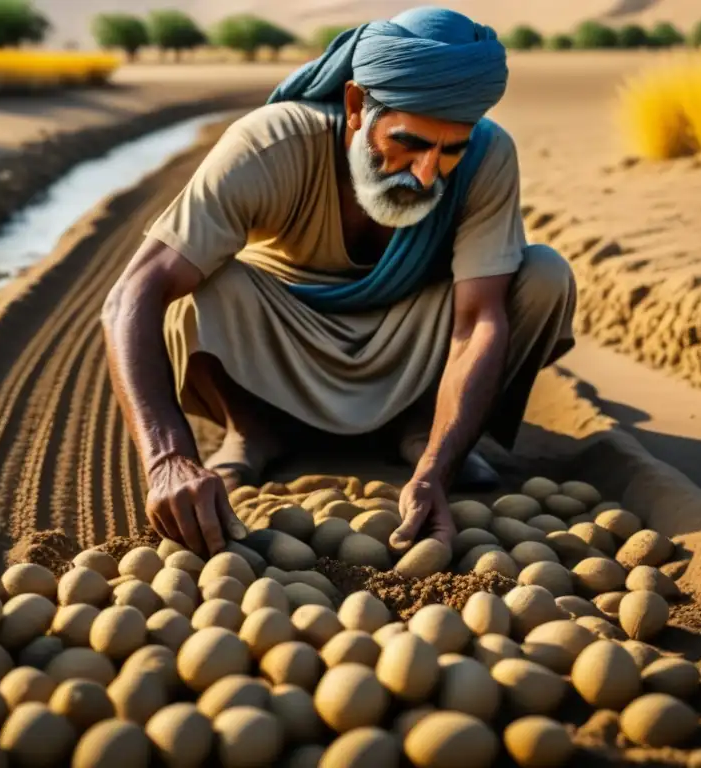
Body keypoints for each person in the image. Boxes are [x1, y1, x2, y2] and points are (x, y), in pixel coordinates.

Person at [102, 7, 576, 557]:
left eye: (451, 150)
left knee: (542, 277)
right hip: (286, 337)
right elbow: (132, 294)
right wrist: (168, 459)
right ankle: (252, 430)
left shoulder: (489, 156)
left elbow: (477, 320)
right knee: (200, 288)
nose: (426, 173)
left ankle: (425, 434)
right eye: (410, 142)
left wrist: (435, 474)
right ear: (356, 107)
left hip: (410, 340)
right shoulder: (271, 145)